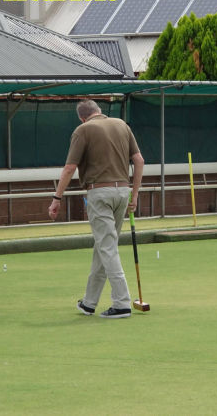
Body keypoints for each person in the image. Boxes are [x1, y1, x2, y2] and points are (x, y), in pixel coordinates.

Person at [48, 100, 144, 319]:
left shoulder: (83, 130)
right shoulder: (121, 124)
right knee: (103, 246)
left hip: (99, 193)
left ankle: (121, 303)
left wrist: (56, 198)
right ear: (99, 112)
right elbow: (139, 160)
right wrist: (135, 194)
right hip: (123, 192)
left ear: (82, 117)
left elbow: (69, 168)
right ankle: (89, 303)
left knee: (107, 247)